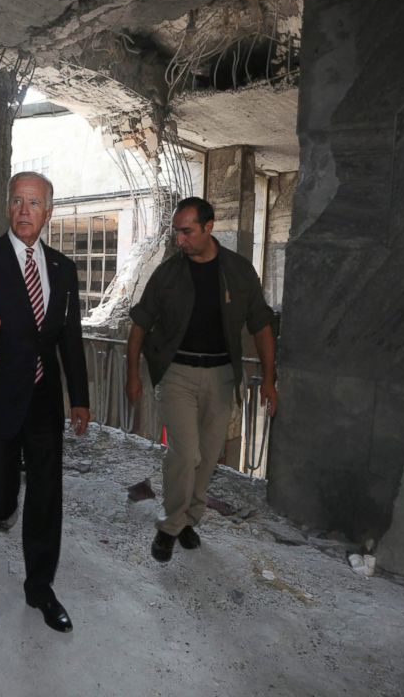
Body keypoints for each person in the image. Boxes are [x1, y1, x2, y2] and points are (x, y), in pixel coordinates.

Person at [0, 171, 90, 634]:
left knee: (47, 496)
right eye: (17, 201)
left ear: (48, 212)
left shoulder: (62, 268)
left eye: (34, 203)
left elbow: (69, 338)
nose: (24, 211)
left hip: (44, 400)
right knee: (0, 499)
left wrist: (80, 399)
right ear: (8, 208)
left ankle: (40, 587)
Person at [125, 196, 278, 563]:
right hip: (176, 374)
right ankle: (169, 525)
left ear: (209, 227)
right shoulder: (168, 273)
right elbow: (140, 324)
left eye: (186, 231)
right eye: (176, 231)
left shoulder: (239, 273)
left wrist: (270, 379)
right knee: (185, 454)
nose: (179, 239)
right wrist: (133, 374)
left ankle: (190, 520)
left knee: (208, 457)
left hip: (222, 376)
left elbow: (261, 326)